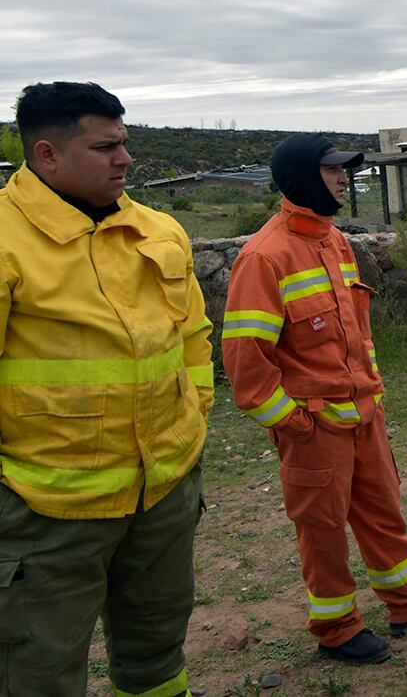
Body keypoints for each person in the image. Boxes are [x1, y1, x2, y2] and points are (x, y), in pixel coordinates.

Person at [223, 133, 407, 665]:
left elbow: (354, 335)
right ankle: (336, 628)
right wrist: (294, 423)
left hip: (364, 415)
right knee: (323, 531)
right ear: (301, 178)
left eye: (344, 170)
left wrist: (372, 398)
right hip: (314, 428)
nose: (343, 179)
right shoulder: (264, 257)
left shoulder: (335, 241)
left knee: (384, 510)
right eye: (333, 170)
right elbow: (246, 364)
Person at [0, 82, 213, 696]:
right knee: (35, 673)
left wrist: (193, 418)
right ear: (48, 155)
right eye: (106, 147)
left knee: (157, 661)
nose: (125, 159)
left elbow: (193, 334)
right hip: (47, 511)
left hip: (164, 492)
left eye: (125, 143)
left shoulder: (159, 230)